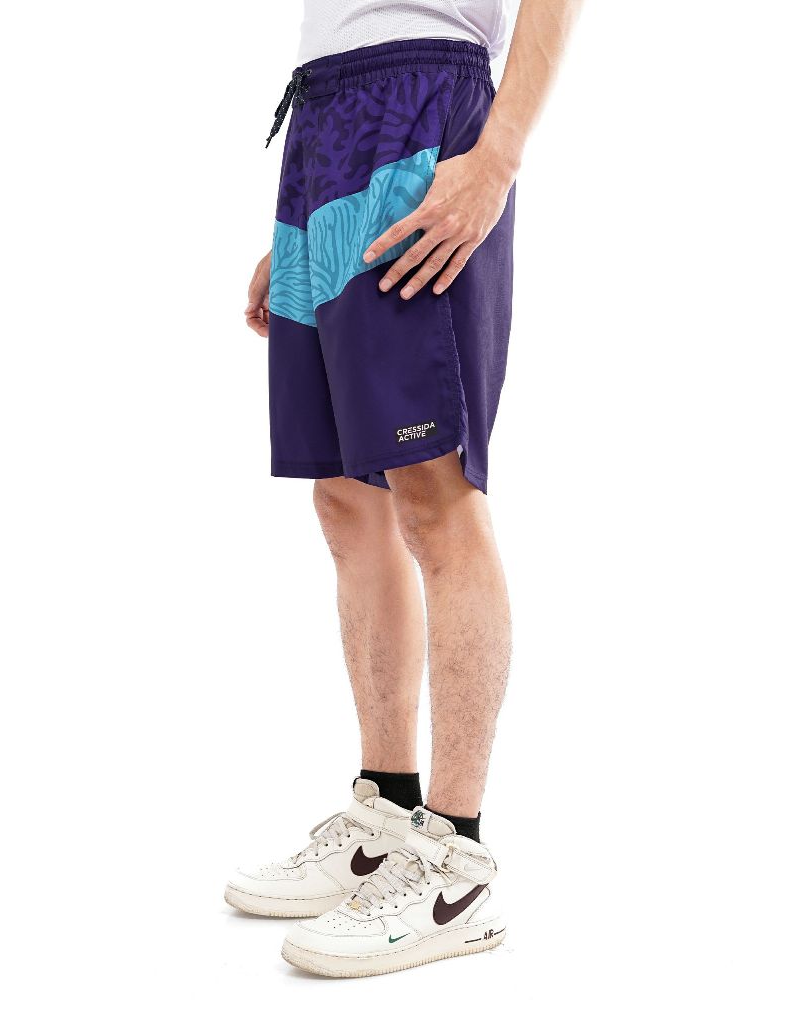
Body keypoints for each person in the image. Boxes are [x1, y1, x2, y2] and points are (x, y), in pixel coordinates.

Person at [228, 0, 581, 977]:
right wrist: (308, 227)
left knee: (434, 491)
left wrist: (497, 157)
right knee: (345, 496)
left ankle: (454, 862)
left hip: (426, 105)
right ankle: (386, 814)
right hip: (325, 121)